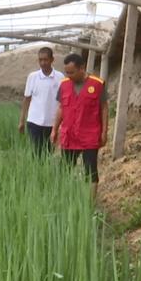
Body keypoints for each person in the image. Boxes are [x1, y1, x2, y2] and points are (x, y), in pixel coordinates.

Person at [50, 53, 109, 199]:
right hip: (69, 134)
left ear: (82, 68)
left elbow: (104, 108)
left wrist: (104, 132)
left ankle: (89, 205)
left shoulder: (97, 83)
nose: (68, 75)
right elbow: (61, 108)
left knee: (91, 171)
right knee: (65, 169)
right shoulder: (64, 84)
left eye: (72, 72)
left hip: (89, 134)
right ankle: (65, 199)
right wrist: (54, 129)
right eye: (66, 72)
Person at [19, 47, 64, 156]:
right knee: (36, 153)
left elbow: (63, 102)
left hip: (52, 123)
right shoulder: (32, 77)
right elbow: (27, 99)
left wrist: (61, 123)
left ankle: (45, 172)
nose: (43, 63)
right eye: (40, 60)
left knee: (49, 153)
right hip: (34, 122)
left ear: (52, 59)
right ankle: (37, 172)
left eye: (45, 59)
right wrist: (21, 121)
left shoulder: (60, 77)